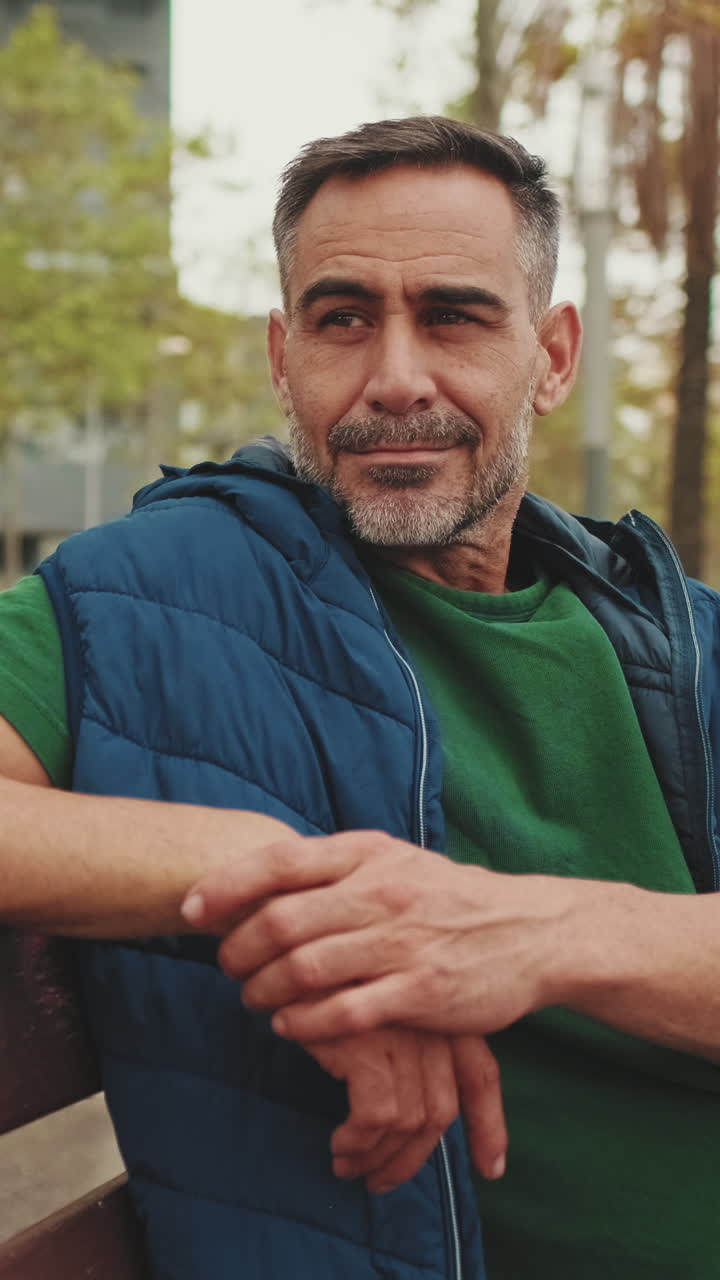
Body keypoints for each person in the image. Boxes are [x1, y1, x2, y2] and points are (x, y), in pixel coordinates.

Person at [1, 114, 718, 1279]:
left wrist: (540, 931)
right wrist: (291, 879)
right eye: (344, 319)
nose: (395, 378)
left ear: (552, 356)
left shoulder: (682, 641)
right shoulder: (148, 598)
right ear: (284, 357)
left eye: (454, 314)